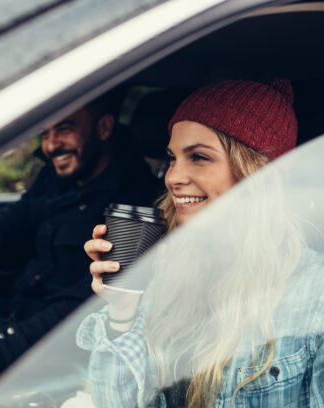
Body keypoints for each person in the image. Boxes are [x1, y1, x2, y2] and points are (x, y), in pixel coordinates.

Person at [75, 79, 324, 407]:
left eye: (199, 157)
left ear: (258, 173)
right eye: (172, 158)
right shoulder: (164, 267)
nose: (173, 176)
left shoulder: (313, 294)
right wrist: (121, 313)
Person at [0, 91, 159, 390]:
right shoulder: (56, 180)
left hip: (47, 351)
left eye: (65, 129)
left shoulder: (134, 206)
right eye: (45, 133)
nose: (52, 145)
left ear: (104, 128)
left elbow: (85, 307)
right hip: (9, 315)